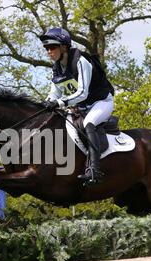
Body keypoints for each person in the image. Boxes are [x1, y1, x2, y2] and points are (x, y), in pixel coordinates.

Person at [40, 27, 115, 185]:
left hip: (101, 102)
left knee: (89, 124)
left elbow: (82, 93)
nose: (48, 51)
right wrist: (47, 102)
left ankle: (94, 170)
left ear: (64, 47)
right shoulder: (57, 67)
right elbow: (55, 92)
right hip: (81, 107)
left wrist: (59, 102)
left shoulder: (81, 61)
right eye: (46, 48)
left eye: (52, 47)